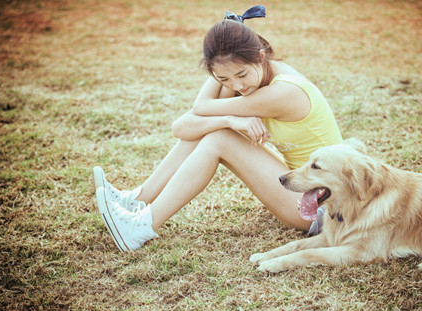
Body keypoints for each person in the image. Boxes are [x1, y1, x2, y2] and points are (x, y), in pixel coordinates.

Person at [93, 5, 343, 252]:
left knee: (219, 139)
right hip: (297, 181)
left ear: (261, 56)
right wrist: (228, 119)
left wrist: (226, 116)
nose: (238, 85)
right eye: (223, 78)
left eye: (242, 74)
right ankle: (136, 201)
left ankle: (140, 228)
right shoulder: (245, 79)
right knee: (216, 130)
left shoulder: (282, 92)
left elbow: (200, 106)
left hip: (324, 205)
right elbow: (182, 128)